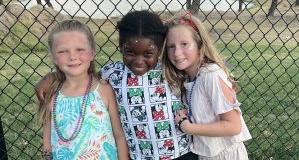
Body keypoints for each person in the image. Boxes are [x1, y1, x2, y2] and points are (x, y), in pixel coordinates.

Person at [36, 11, 197, 160]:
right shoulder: (113, 73)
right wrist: (53, 77)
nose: (139, 61)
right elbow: (81, 75)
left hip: (180, 153)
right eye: (130, 52)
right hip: (139, 156)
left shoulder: (171, 70)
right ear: (120, 46)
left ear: (160, 49)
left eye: (148, 54)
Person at [162, 12, 252, 160]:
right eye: (171, 46)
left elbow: (233, 126)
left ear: (199, 44)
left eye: (184, 44)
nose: (177, 53)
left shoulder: (211, 75)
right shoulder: (189, 78)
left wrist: (188, 127)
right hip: (206, 155)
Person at [37, 19, 128, 160]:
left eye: (79, 49)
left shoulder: (103, 89)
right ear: (54, 58)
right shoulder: (52, 93)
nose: (72, 57)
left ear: (92, 53)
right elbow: (47, 143)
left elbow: (119, 135)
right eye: (63, 51)